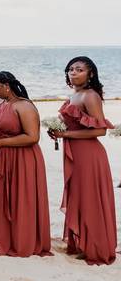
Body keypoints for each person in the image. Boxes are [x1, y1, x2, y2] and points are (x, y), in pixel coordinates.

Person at [48, 57, 116, 265]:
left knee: (89, 199)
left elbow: (100, 131)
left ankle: (95, 246)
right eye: (70, 69)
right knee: (78, 197)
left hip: (89, 155)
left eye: (79, 69)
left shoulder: (90, 96)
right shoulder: (74, 95)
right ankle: (82, 243)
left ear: (90, 74)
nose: (73, 73)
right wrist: (58, 132)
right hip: (74, 154)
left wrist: (65, 135)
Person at [0, 71, 51, 258]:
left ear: (6, 85)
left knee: (22, 199)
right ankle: (6, 238)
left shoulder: (24, 106)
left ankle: (24, 241)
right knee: (3, 199)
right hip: (0, 157)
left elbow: (33, 137)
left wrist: (1, 143)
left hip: (22, 158)